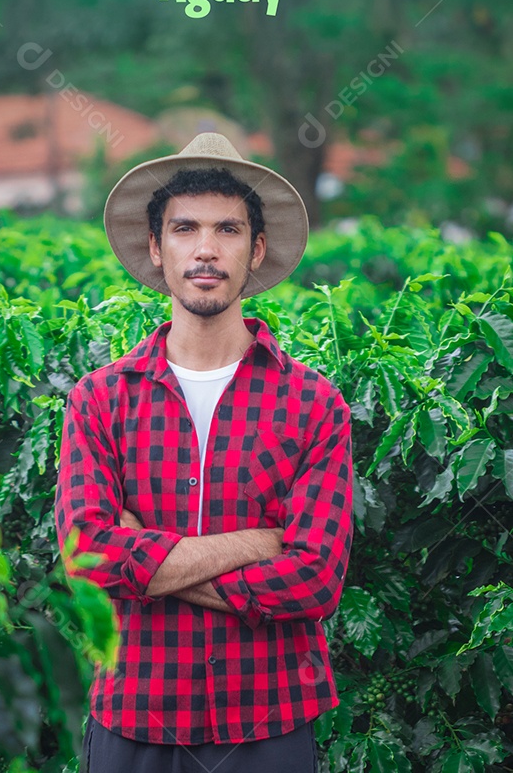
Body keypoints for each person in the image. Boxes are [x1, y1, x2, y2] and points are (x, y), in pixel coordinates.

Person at [54, 131, 354, 773]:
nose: (207, 250)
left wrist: (151, 567)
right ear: (157, 249)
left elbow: (316, 580)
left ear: (257, 249)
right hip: (136, 714)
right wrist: (260, 542)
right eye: (185, 229)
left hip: (267, 722)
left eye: (229, 229)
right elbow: (89, 556)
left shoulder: (313, 404)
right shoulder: (100, 400)